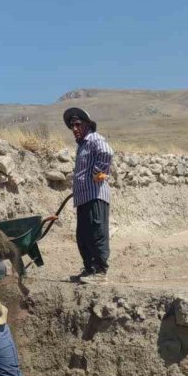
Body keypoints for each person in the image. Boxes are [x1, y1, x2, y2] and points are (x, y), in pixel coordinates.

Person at [64, 107, 114, 284]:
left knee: (96, 233)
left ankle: (100, 271)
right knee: (83, 236)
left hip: (95, 195)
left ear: (87, 125)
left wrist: (97, 172)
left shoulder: (94, 138)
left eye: (78, 124)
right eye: (72, 126)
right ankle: (89, 270)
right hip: (83, 198)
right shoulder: (82, 145)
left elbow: (107, 153)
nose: (74, 129)